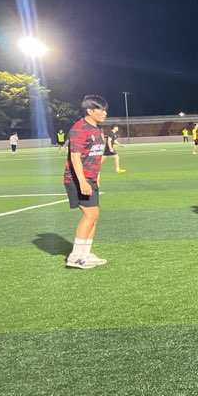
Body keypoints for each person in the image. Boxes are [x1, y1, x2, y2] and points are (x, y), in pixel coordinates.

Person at [63, 95, 109, 270]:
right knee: (90, 214)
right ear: (90, 111)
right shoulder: (79, 129)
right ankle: (75, 257)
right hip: (77, 179)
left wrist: (97, 177)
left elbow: (96, 156)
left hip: (91, 178)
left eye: (105, 110)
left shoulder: (98, 129)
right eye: (101, 110)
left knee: (94, 216)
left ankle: (86, 253)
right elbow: (75, 157)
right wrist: (82, 181)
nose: (104, 113)